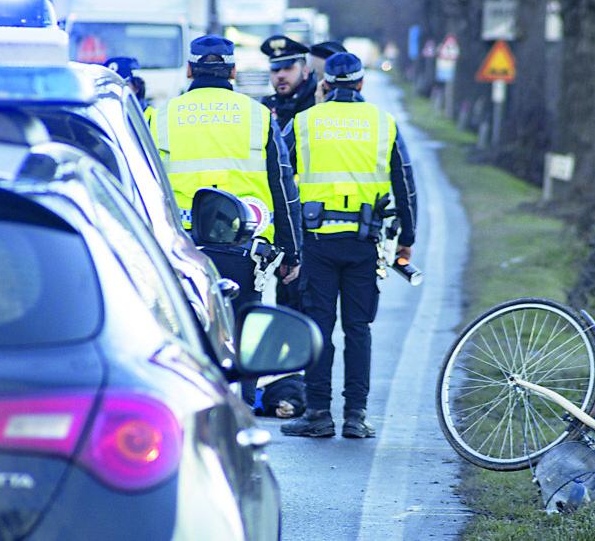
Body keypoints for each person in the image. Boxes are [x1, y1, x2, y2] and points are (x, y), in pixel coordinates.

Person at [281, 52, 417, 439]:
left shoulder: (304, 122)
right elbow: (405, 185)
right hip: (363, 243)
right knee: (359, 329)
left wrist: (285, 240)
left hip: (317, 243)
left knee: (319, 328)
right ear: (361, 84)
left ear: (326, 84)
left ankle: (319, 413)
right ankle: (356, 416)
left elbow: (281, 177)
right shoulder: (382, 123)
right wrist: (407, 239)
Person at [148, 34, 303, 314]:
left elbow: (144, 185)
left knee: (190, 332)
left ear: (189, 69)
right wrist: (291, 251)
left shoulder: (160, 116)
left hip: (183, 247)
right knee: (242, 333)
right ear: (233, 71)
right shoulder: (259, 115)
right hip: (245, 248)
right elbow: (282, 185)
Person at [259, 35, 316, 312]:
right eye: (275, 69)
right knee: (286, 305)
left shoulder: (316, 107)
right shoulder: (265, 109)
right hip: (283, 222)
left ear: (304, 70)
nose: (280, 75)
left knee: (309, 307)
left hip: (313, 221)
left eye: (287, 68)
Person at [105, 56, 154, 121]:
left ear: (136, 87)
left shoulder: (151, 118)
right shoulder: (99, 116)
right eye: (108, 84)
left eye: (122, 85)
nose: (113, 90)